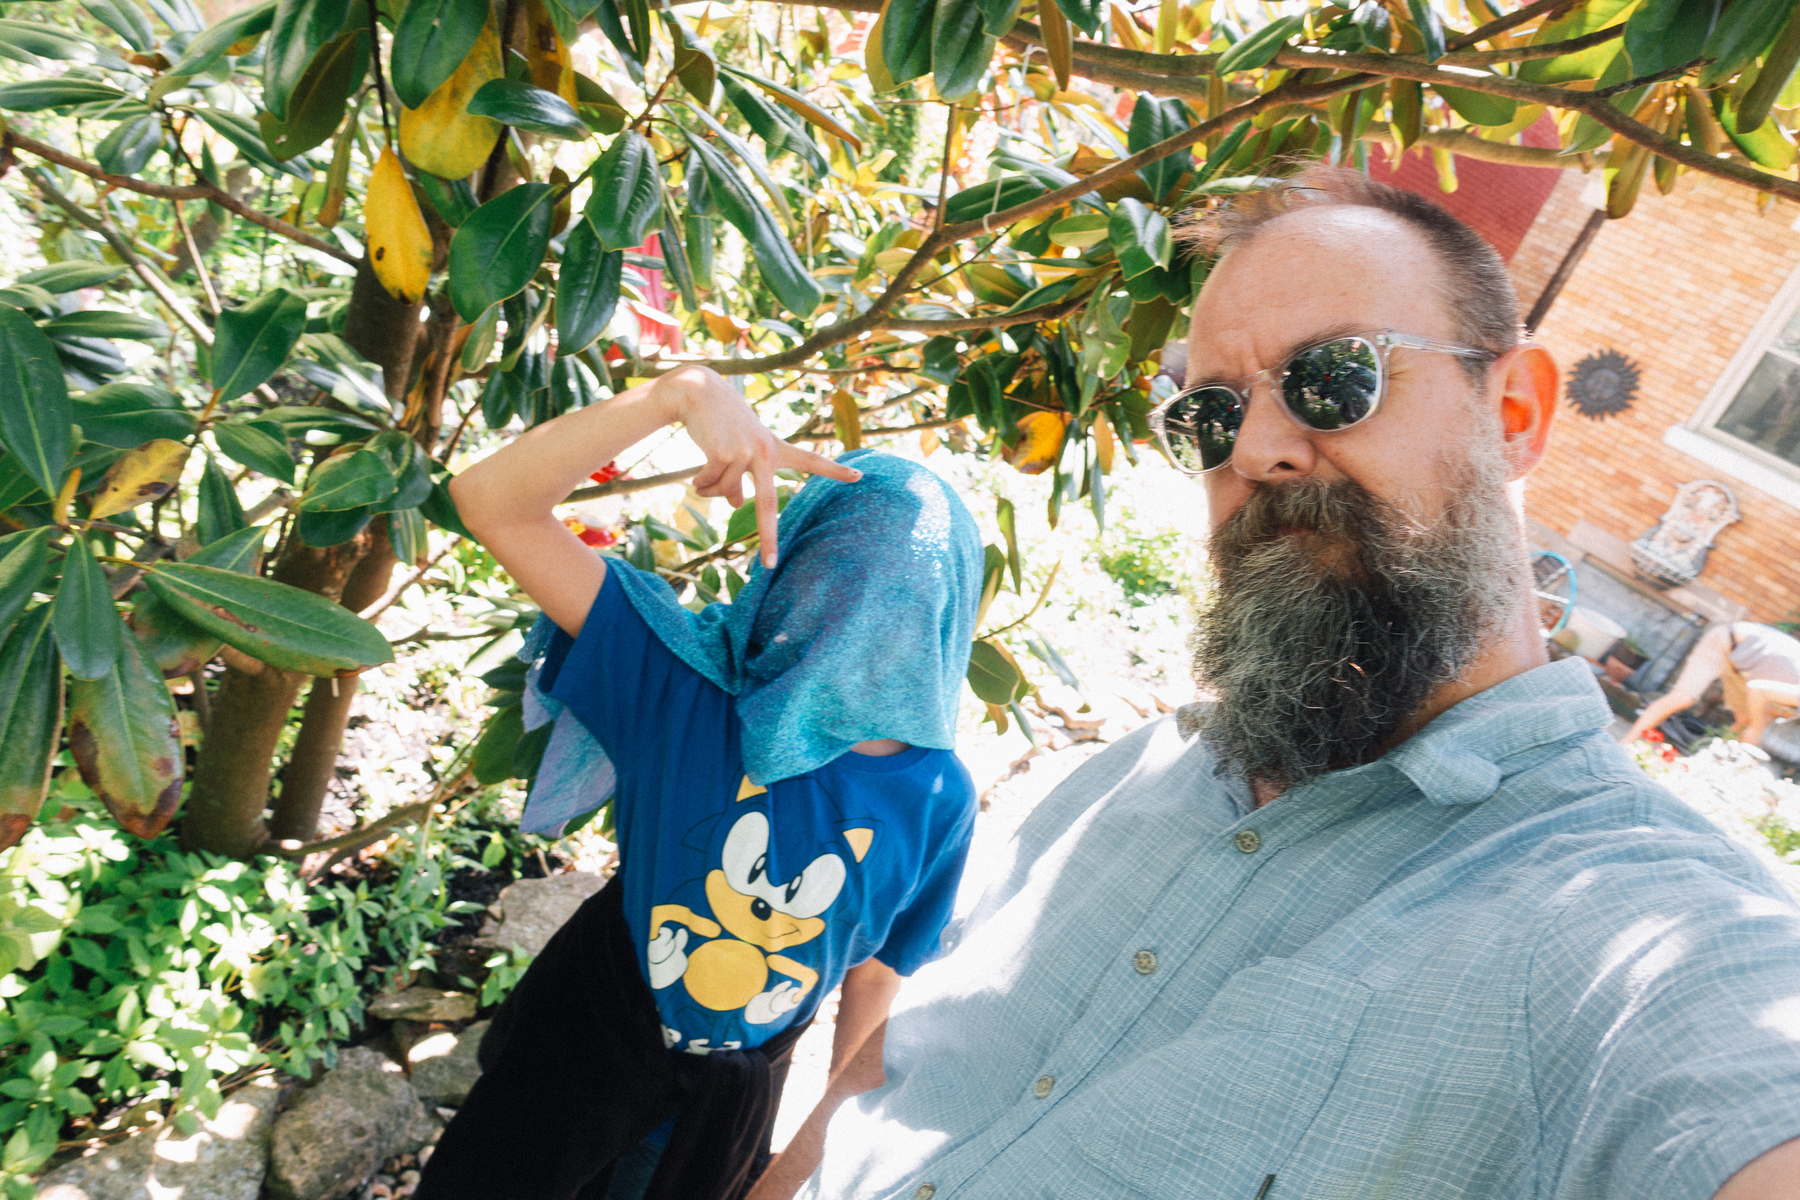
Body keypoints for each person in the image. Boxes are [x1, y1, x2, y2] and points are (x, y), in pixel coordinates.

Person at [774, 167, 1800, 1200]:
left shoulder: (1634, 927)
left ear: (1517, 413)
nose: (1257, 448)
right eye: (1212, 414)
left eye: (1334, 379)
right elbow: (891, 1070)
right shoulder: (1139, 770)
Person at [417, 365, 984, 1200]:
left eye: (901, 601)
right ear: (791, 570)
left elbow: (874, 984)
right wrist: (677, 396)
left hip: (729, 1104)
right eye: (848, 579)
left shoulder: (941, 798)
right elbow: (490, 501)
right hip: (584, 1046)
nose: (868, 618)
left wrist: (805, 1167)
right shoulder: (688, 691)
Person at [1624, 621, 1800, 749]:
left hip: (1744, 664)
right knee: (1683, 698)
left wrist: (1756, 724)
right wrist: (1757, 727)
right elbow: (1758, 689)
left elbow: (1766, 695)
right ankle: (1626, 744)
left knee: (1746, 720)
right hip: (1725, 641)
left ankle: (1709, 765)